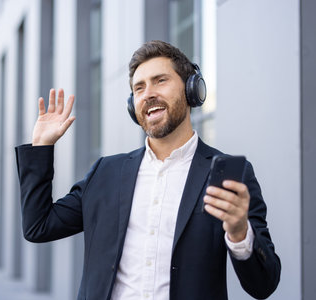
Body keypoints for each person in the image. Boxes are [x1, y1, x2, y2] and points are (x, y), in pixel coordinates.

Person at [15, 40, 280, 300]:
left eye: (160, 80)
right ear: (133, 106)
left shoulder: (229, 175)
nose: (148, 93)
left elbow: (264, 285)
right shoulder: (105, 173)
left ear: (191, 90)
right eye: (139, 88)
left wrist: (239, 232)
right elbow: (39, 226)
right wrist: (41, 146)